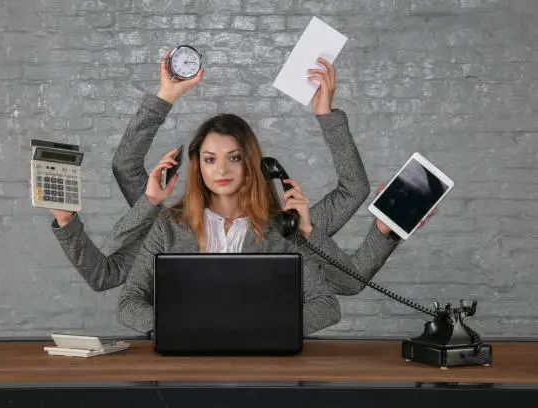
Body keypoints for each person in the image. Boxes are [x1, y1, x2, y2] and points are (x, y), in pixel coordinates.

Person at [65, 51, 384, 293]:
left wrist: (326, 114)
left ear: (252, 164)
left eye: (234, 157)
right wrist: (166, 96)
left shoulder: (286, 229)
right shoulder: (170, 230)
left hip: (262, 361)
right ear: (197, 166)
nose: (221, 169)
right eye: (209, 159)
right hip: (183, 361)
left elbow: (354, 193)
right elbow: (102, 274)